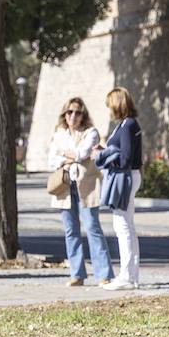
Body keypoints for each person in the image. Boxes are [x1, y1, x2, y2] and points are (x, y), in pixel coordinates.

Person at [47, 96, 114, 287]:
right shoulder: (59, 134)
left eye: (77, 112)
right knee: (71, 231)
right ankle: (77, 274)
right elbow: (51, 159)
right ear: (64, 114)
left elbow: (82, 154)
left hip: (86, 187)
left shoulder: (91, 132)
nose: (73, 116)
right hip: (65, 187)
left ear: (83, 115)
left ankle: (103, 274)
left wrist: (67, 154)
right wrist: (66, 158)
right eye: (70, 112)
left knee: (93, 228)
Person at [95, 86, 143, 290]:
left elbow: (124, 158)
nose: (109, 111)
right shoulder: (127, 125)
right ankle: (130, 275)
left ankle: (127, 277)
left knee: (122, 226)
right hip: (129, 176)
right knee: (126, 226)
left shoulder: (127, 125)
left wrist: (104, 156)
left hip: (125, 177)